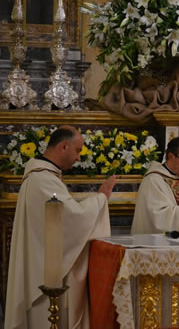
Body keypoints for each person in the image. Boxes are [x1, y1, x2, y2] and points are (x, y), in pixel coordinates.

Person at [5, 126, 116, 329]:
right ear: (64, 146)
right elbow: (73, 218)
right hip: (45, 281)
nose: (79, 158)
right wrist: (101, 198)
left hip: (45, 270)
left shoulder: (44, 177)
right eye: (78, 150)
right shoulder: (42, 179)